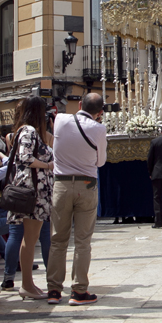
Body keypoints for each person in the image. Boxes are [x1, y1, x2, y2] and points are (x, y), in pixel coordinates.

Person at [47, 92, 107, 306]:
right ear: (100, 112)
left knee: (58, 239)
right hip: (86, 184)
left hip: (61, 184)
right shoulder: (99, 128)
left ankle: (54, 290)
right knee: (83, 241)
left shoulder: (60, 120)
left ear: (80, 104)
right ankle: (79, 290)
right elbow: (101, 162)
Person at [5, 96, 54, 301]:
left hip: (35, 192)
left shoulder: (26, 131)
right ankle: (26, 284)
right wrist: (48, 165)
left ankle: (29, 283)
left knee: (30, 239)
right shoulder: (29, 131)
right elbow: (24, 157)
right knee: (30, 239)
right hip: (33, 193)